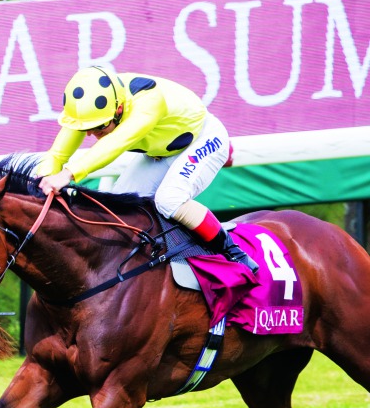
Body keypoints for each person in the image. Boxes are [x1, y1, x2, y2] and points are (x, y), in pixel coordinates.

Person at [37, 67, 258, 273]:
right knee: (117, 208)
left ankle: (233, 252)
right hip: (162, 151)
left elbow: (115, 143)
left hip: (204, 140)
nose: (90, 134)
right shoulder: (91, 109)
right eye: (84, 128)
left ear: (119, 109)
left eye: (98, 127)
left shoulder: (148, 102)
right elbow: (56, 154)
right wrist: (41, 181)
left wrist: (67, 175)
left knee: (169, 199)